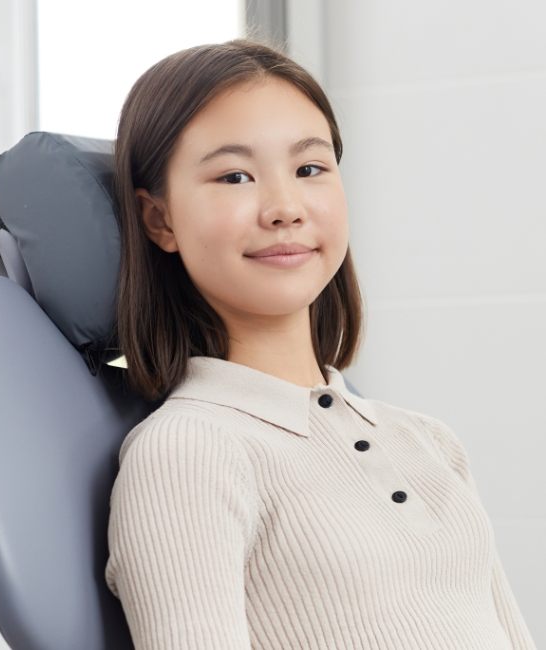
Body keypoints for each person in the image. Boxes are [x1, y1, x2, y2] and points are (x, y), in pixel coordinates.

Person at [104, 38, 537, 649]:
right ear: (160, 220)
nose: (285, 208)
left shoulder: (430, 442)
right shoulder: (189, 451)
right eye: (234, 175)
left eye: (310, 168)